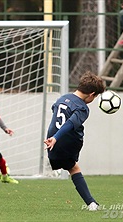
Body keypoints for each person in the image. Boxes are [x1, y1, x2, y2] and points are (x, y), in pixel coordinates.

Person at [43, 71, 105, 211]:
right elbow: (70, 123)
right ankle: (92, 204)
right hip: (64, 142)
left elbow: (55, 111)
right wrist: (57, 138)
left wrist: (53, 137)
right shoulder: (82, 108)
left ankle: (92, 202)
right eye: (95, 97)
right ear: (91, 94)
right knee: (74, 168)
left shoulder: (62, 99)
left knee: (71, 167)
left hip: (51, 142)